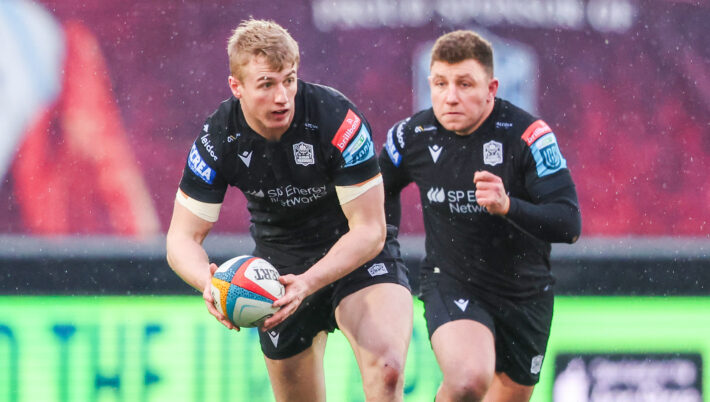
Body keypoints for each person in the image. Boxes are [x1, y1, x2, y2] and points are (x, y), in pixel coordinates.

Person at [165, 19, 413, 402]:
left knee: (388, 372)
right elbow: (182, 239)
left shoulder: (337, 118)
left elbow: (370, 230)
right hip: (277, 273)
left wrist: (309, 282)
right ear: (236, 87)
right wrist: (210, 286)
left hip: (356, 256)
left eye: (289, 80)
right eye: (266, 84)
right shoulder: (217, 137)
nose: (282, 97)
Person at [379, 30, 581, 401]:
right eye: (440, 83)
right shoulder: (411, 136)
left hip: (525, 293)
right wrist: (386, 243)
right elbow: (380, 189)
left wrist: (508, 206)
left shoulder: (529, 136)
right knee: (467, 381)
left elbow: (569, 224)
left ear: (491, 88)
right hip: (453, 281)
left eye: (465, 84)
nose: (450, 96)